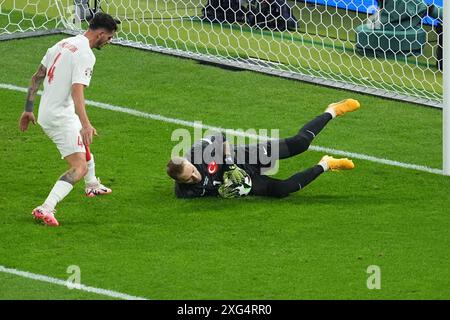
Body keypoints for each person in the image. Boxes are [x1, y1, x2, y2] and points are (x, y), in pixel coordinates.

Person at [18, 12, 121, 226]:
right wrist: (86, 124)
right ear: (100, 34)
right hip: (59, 116)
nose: (110, 42)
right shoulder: (85, 55)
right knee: (78, 166)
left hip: (49, 109)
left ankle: (92, 184)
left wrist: (28, 109)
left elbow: (37, 76)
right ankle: (46, 207)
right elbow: (77, 91)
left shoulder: (63, 43)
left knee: (84, 143)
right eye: (110, 38)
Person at [167, 99, 360, 199]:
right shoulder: (186, 193)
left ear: (189, 162)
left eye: (192, 171)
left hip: (247, 157)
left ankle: (333, 111)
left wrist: (229, 165)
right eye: (188, 179)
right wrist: (227, 192)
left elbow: (220, 136)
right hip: (246, 180)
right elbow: (213, 191)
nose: (194, 177)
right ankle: (326, 164)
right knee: (283, 190)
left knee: (300, 144)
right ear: (180, 182)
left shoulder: (197, 152)